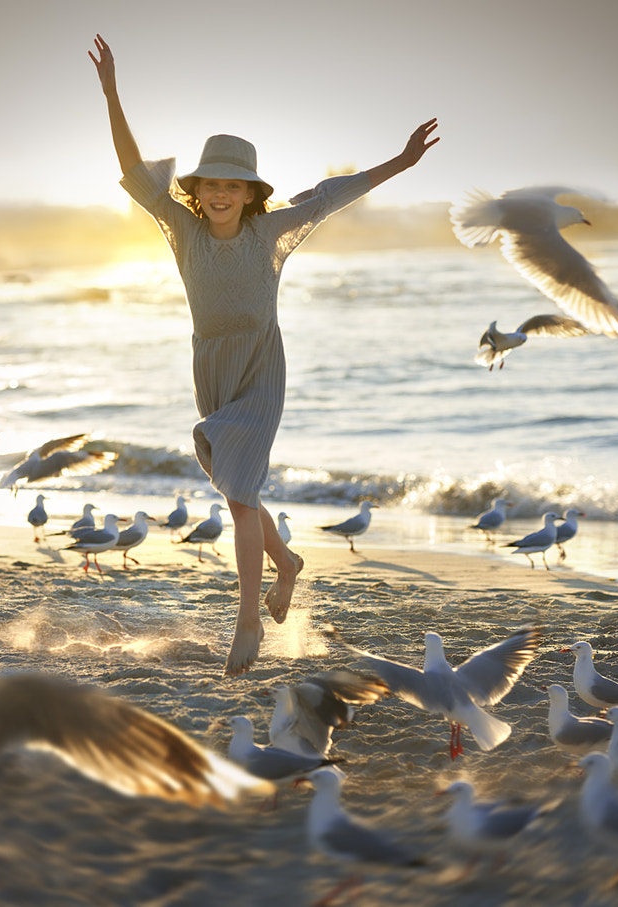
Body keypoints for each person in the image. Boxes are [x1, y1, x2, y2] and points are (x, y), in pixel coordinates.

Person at [89, 34, 440, 676]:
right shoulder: (182, 228)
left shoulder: (272, 231)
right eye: (212, 184)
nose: (222, 194)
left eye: (235, 185)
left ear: (252, 193)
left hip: (260, 369)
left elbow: (336, 194)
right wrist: (112, 92)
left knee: (244, 498)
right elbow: (136, 169)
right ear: (199, 190)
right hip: (212, 369)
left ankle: (248, 619)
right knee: (237, 494)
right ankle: (288, 565)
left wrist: (401, 162)